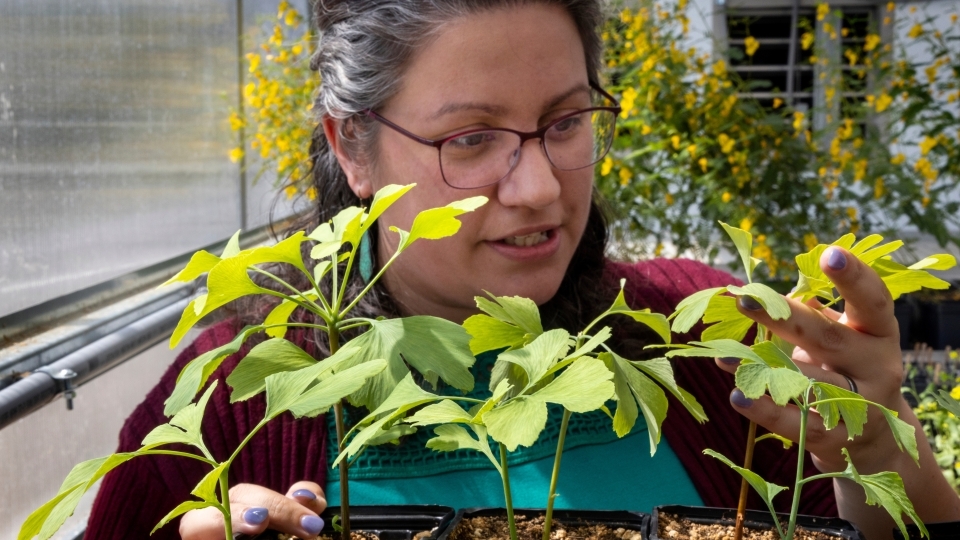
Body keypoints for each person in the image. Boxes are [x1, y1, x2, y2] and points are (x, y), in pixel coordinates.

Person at [84, 1, 960, 539]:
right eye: (470, 139)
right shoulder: (232, 401)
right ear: (352, 145)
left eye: (567, 121)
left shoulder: (707, 331)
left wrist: (879, 452)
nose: (540, 187)